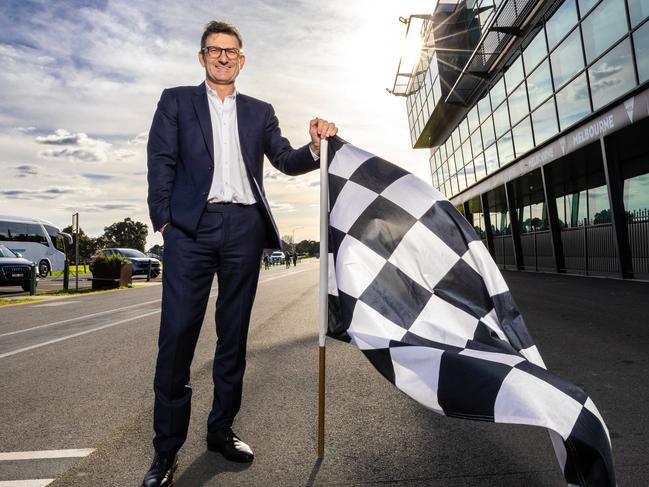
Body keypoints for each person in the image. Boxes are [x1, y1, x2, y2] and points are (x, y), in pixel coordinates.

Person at [143, 20, 337, 486]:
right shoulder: (175, 102)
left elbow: (287, 160)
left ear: (242, 59)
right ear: (202, 57)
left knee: (233, 339)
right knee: (176, 339)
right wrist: (166, 222)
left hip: (244, 230)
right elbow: (160, 162)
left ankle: (221, 431)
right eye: (215, 50)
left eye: (232, 51)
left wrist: (315, 145)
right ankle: (165, 451)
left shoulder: (259, 111)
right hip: (190, 229)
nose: (224, 57)